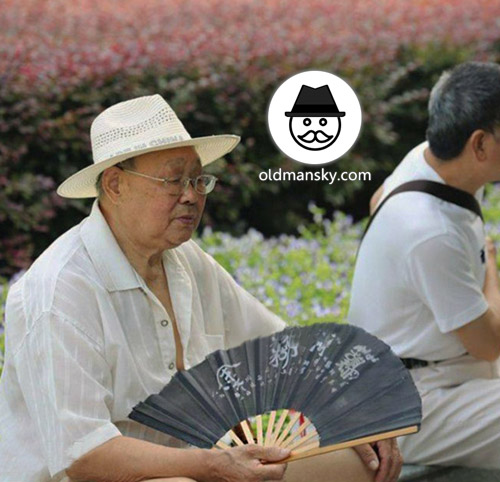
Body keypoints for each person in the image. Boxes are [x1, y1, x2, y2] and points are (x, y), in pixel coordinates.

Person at [0, 94, 401, 481]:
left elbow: (282, 349)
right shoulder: (59, 291)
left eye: (198, 179)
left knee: (360, 460)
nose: (191, 196)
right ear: (115, 185)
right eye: (173, 180)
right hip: (103, 478)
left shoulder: (186, 262)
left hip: (203, 465)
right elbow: (84, 454)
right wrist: (213, 465)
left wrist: (355, 408)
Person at [348, 61, 500, 469]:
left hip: (438, 369)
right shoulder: (431, 231)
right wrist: (490, 270)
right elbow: (489, 343)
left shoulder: (427, 160)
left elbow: (378, 197)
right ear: (481, 145)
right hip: (414, 404)